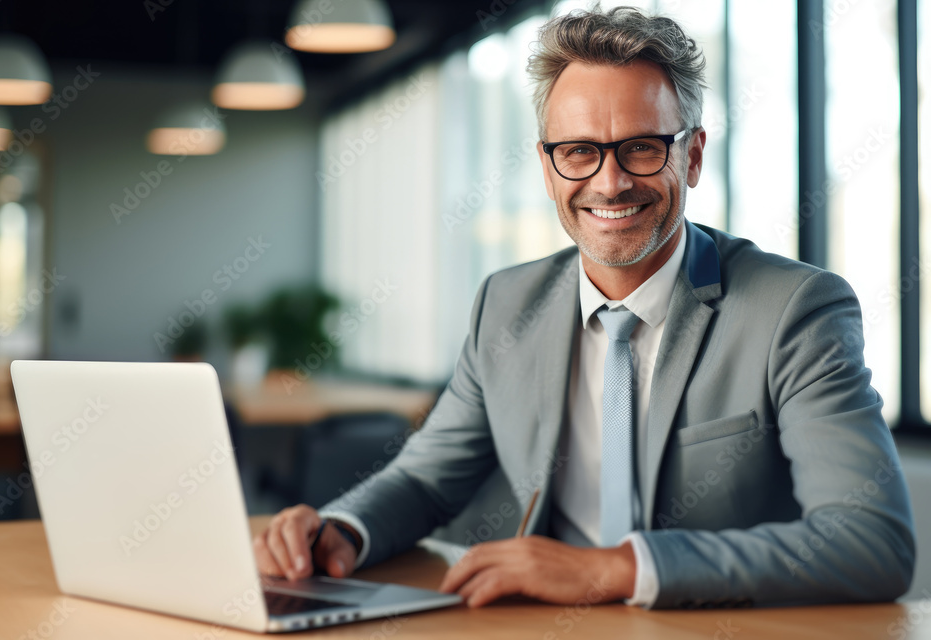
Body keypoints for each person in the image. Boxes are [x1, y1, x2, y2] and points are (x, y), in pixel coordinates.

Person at [254, 5, 915, 609]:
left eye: (642, 147)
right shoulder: (505, 305)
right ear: (548, 168)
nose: (610, 181)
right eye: (578, 152)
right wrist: (342, 529)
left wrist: (617, 569)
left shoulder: (793, 309)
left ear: (692, 156)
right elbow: (427, 480)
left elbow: (871, 541)